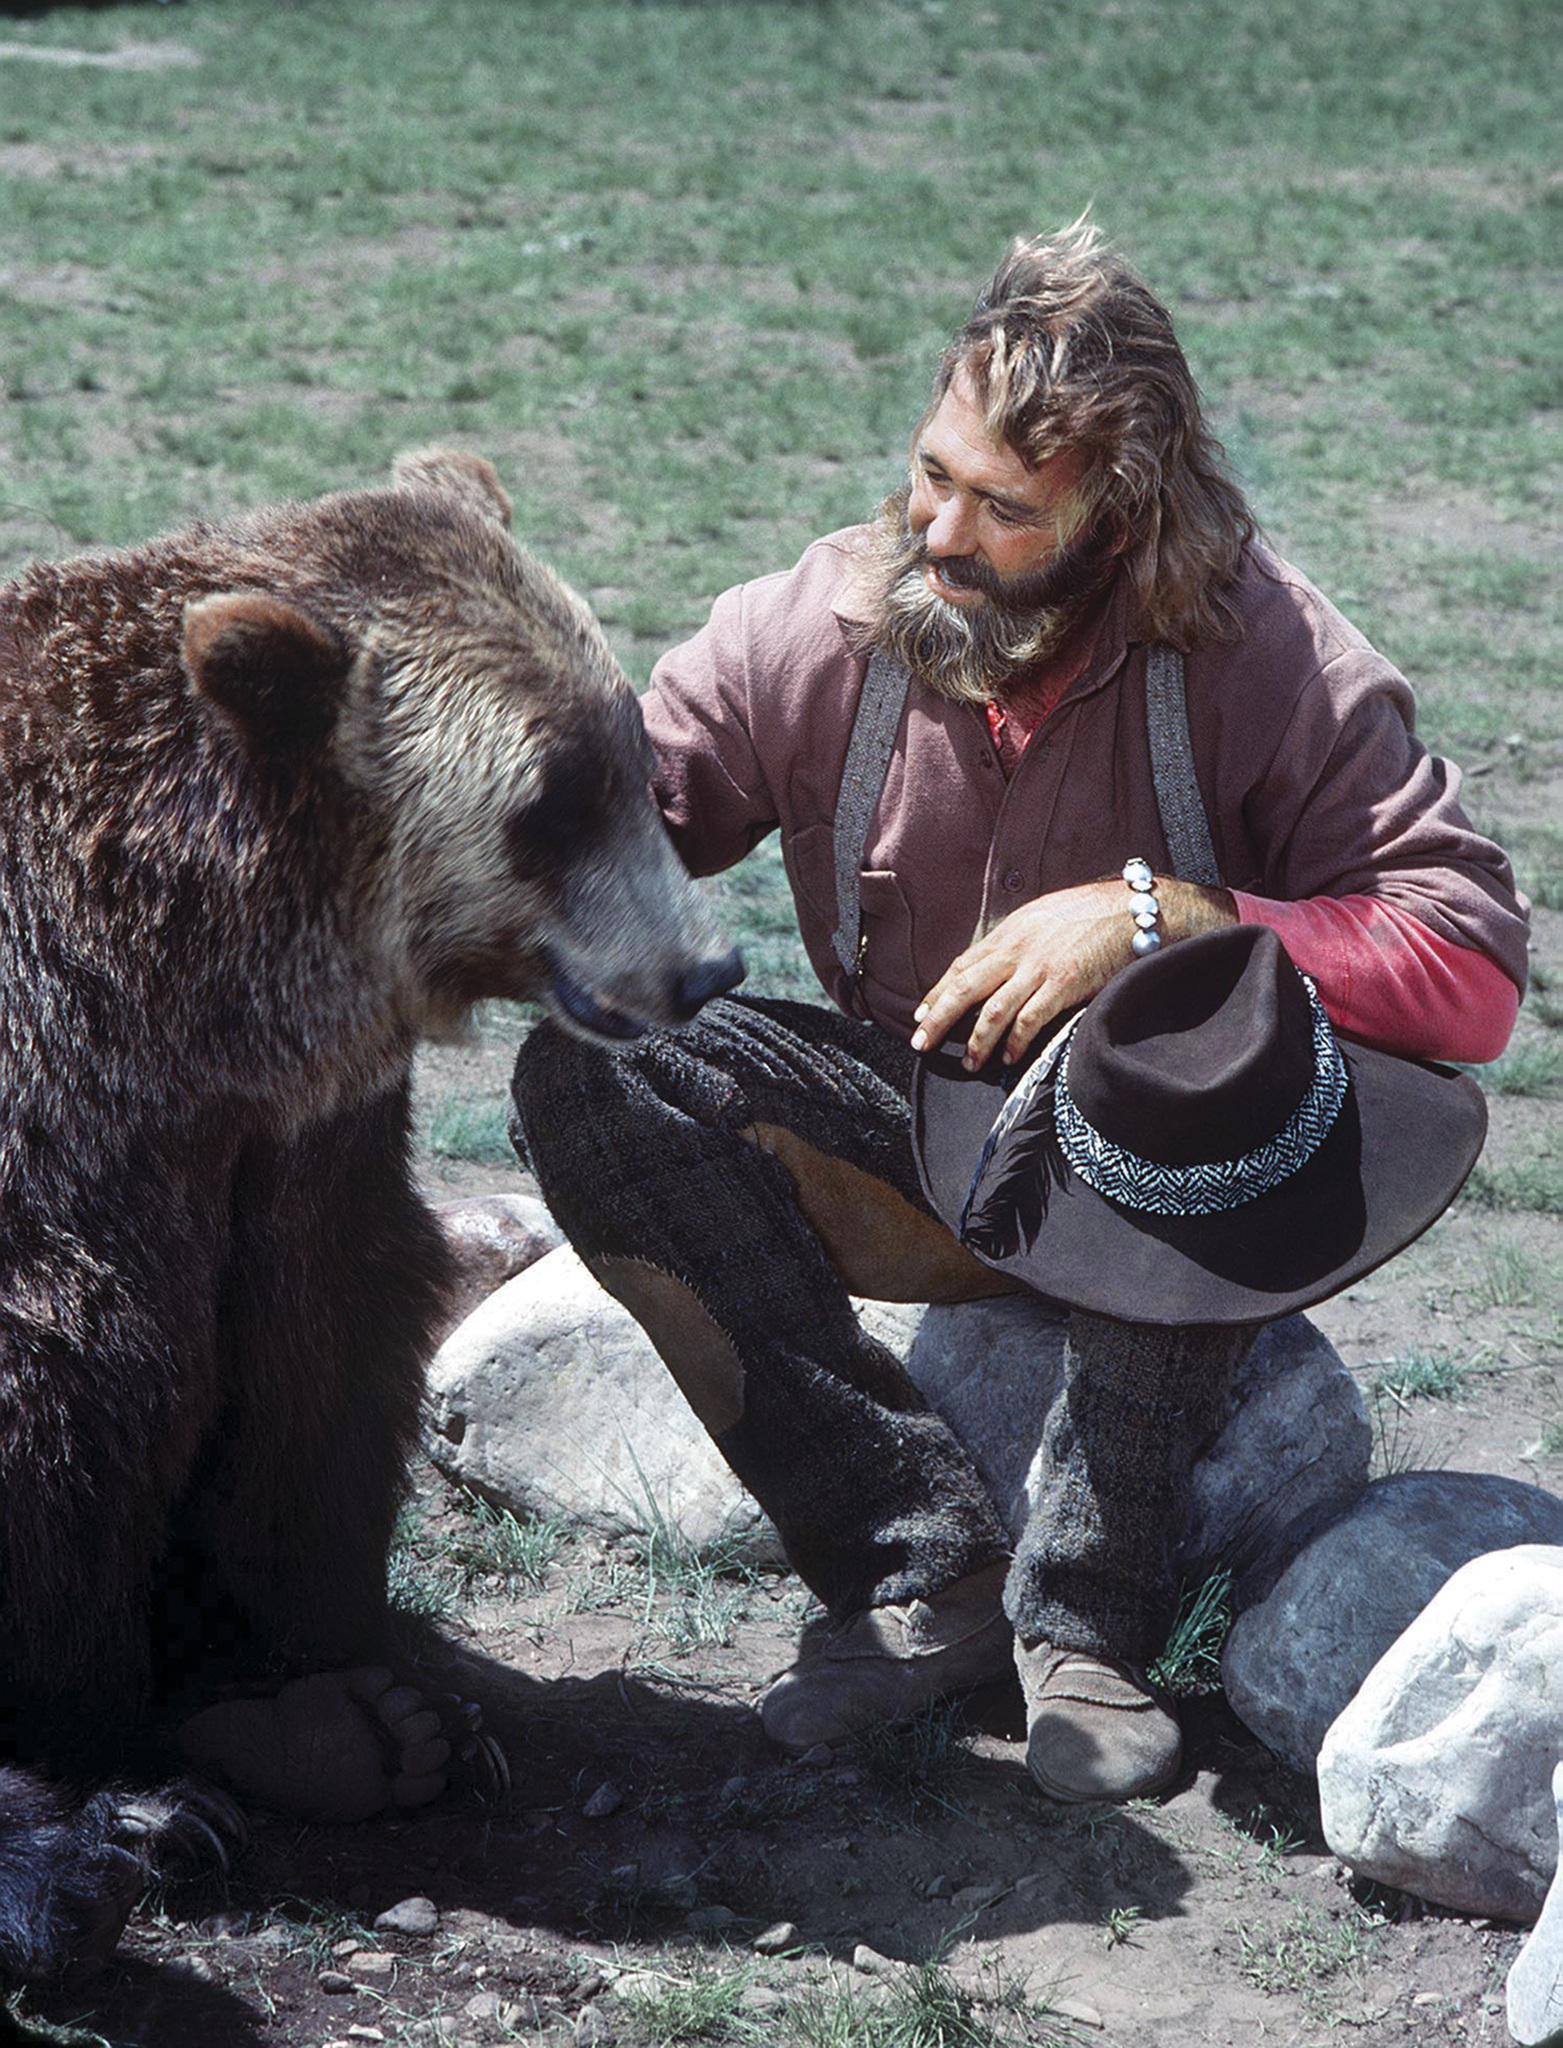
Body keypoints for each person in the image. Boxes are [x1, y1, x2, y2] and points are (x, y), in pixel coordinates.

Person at [510, 219, 1528, 1804]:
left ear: (1121, 512)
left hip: (1178, 1173)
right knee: (600, 1066)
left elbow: (1465, 965)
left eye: (1004, 507)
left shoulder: (1265, 647)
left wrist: (1168, 920)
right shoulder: (815, 624)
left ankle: (1091, 1626)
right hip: (917, 1132)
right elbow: (616, 822)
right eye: (932, 473)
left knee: (1178, 1046)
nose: (940, 528)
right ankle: (917, 1569)